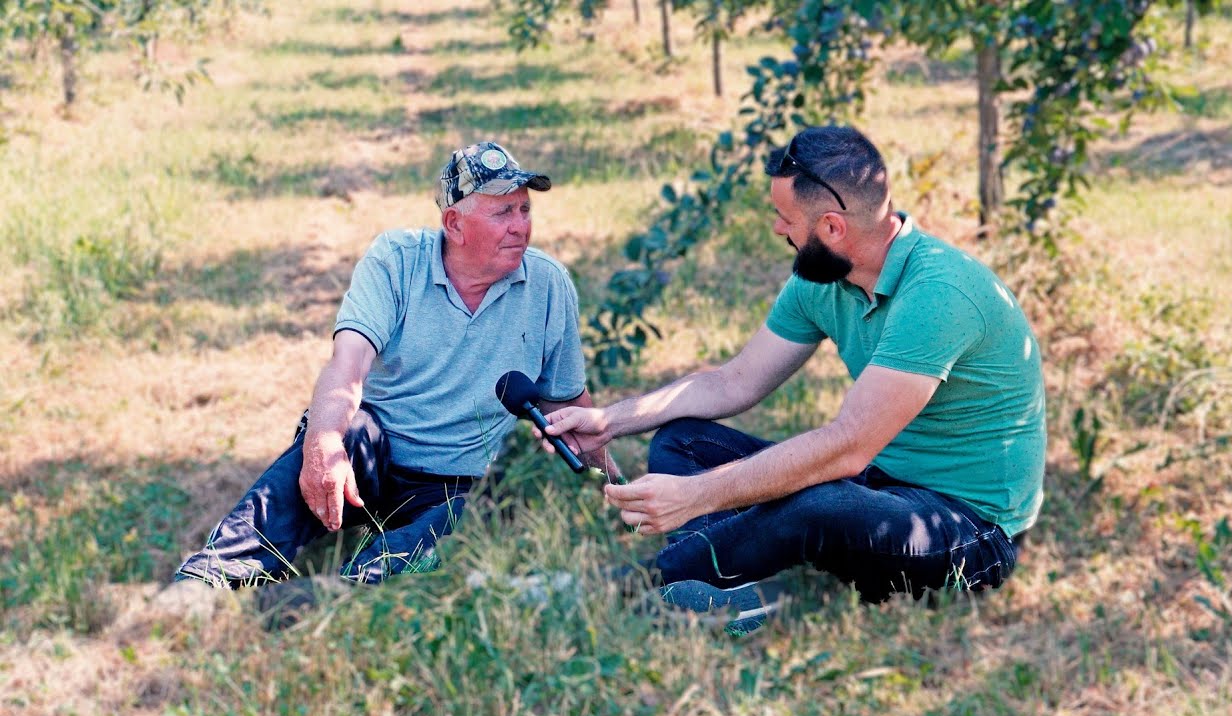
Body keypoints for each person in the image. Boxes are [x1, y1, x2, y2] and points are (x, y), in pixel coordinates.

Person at [541, 126, 1045, 618]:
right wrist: (610, 421)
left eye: (785, 218)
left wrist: (697, 494)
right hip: (880, 484)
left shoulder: (939, 294)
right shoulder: (824, 278)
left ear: (831, 227)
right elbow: (734, 381)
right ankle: (728, 572)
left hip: (970, 528)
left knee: (821, 500)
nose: (778, 229)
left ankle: (655, 584)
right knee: (684, 441)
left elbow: (848, 446)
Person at [175, 141, 605, 587]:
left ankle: (349, 589)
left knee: (460, 522)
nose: (520, 227)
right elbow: (348, 362)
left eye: (524, 210)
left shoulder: (548, 284)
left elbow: (567, 402)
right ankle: (212, 576)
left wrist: (609, 487)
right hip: (372, 463)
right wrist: (323, 441)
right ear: (454, 224)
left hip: (463, 482)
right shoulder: (397, 260)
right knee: (341, 435)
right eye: (502, 214)